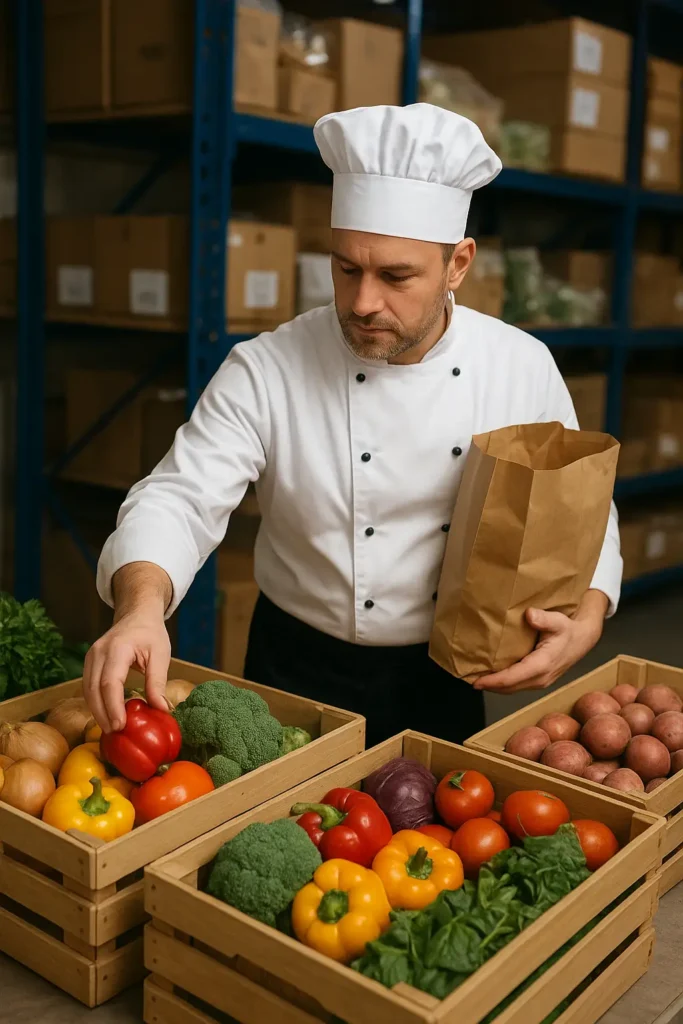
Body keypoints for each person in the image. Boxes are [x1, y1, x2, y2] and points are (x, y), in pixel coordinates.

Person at [84, 104, 622, 745]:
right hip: (292, 663)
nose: (364, 302)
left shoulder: (519, 366)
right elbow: (180, 495)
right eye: (346, 269)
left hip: (446, 669)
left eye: (396, 277)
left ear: (459, 265)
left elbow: (582, 507)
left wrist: (588, 616)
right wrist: (140, 608)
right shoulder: (267, 366)